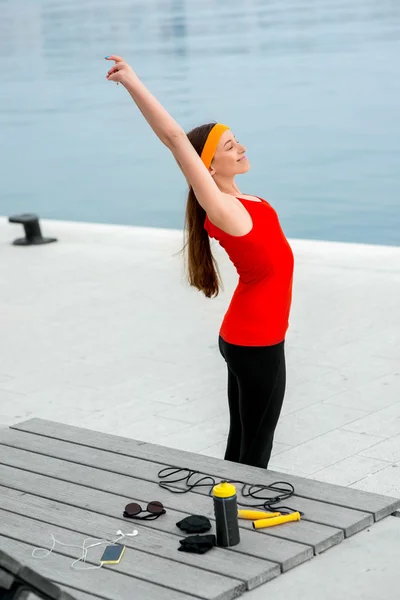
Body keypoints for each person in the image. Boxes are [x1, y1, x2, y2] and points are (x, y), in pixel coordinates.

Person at [105, 55, 294, 469]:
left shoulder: (252, 202)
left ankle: (227, 510)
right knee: (256, 445)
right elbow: (175, 138)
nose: (241, 148)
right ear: (207, 166)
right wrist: (132, 81)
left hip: (254, 336)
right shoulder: (224, 210)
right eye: (229, 147)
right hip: (255, 342)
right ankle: (239, 519)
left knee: (244, 437)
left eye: (237, 140)